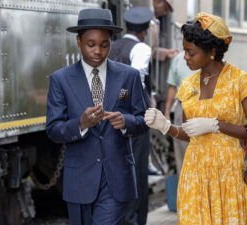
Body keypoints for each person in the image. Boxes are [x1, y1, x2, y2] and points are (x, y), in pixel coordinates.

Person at [145, 13, 247, 224]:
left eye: (191, 53)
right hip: (195, 171)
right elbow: (189, 133)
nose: (185, 57)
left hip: (230, 172)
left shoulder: (241, 81)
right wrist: (166, 126)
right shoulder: (188, 85)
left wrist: (216, 125)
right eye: (184, 51)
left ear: (212, 51)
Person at [46, 8, 148, 225]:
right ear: (78, 41)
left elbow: (143, 120)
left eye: (104, 44)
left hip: (116, 179)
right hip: (79, 180)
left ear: (111, 42)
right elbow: (53, 130)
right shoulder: (60, 80)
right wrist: (81, 124)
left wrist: (126, 122)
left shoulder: (128, 76)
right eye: (91, 44)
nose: (98, 51)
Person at [108, 7, 153, 225]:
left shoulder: (111, 46)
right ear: (144, 31)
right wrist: (122, 100)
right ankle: (134, 220)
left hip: (108, 117)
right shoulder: (141, 48)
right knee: (136, 171)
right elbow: (135, 81)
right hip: (134, 118)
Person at [164, 51, 198, 174]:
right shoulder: (178, 59)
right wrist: (167, 112)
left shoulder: (208, 57)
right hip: (182, 107)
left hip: (204, 108)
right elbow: (172, 87)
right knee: (182, 152)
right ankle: (185, 188)